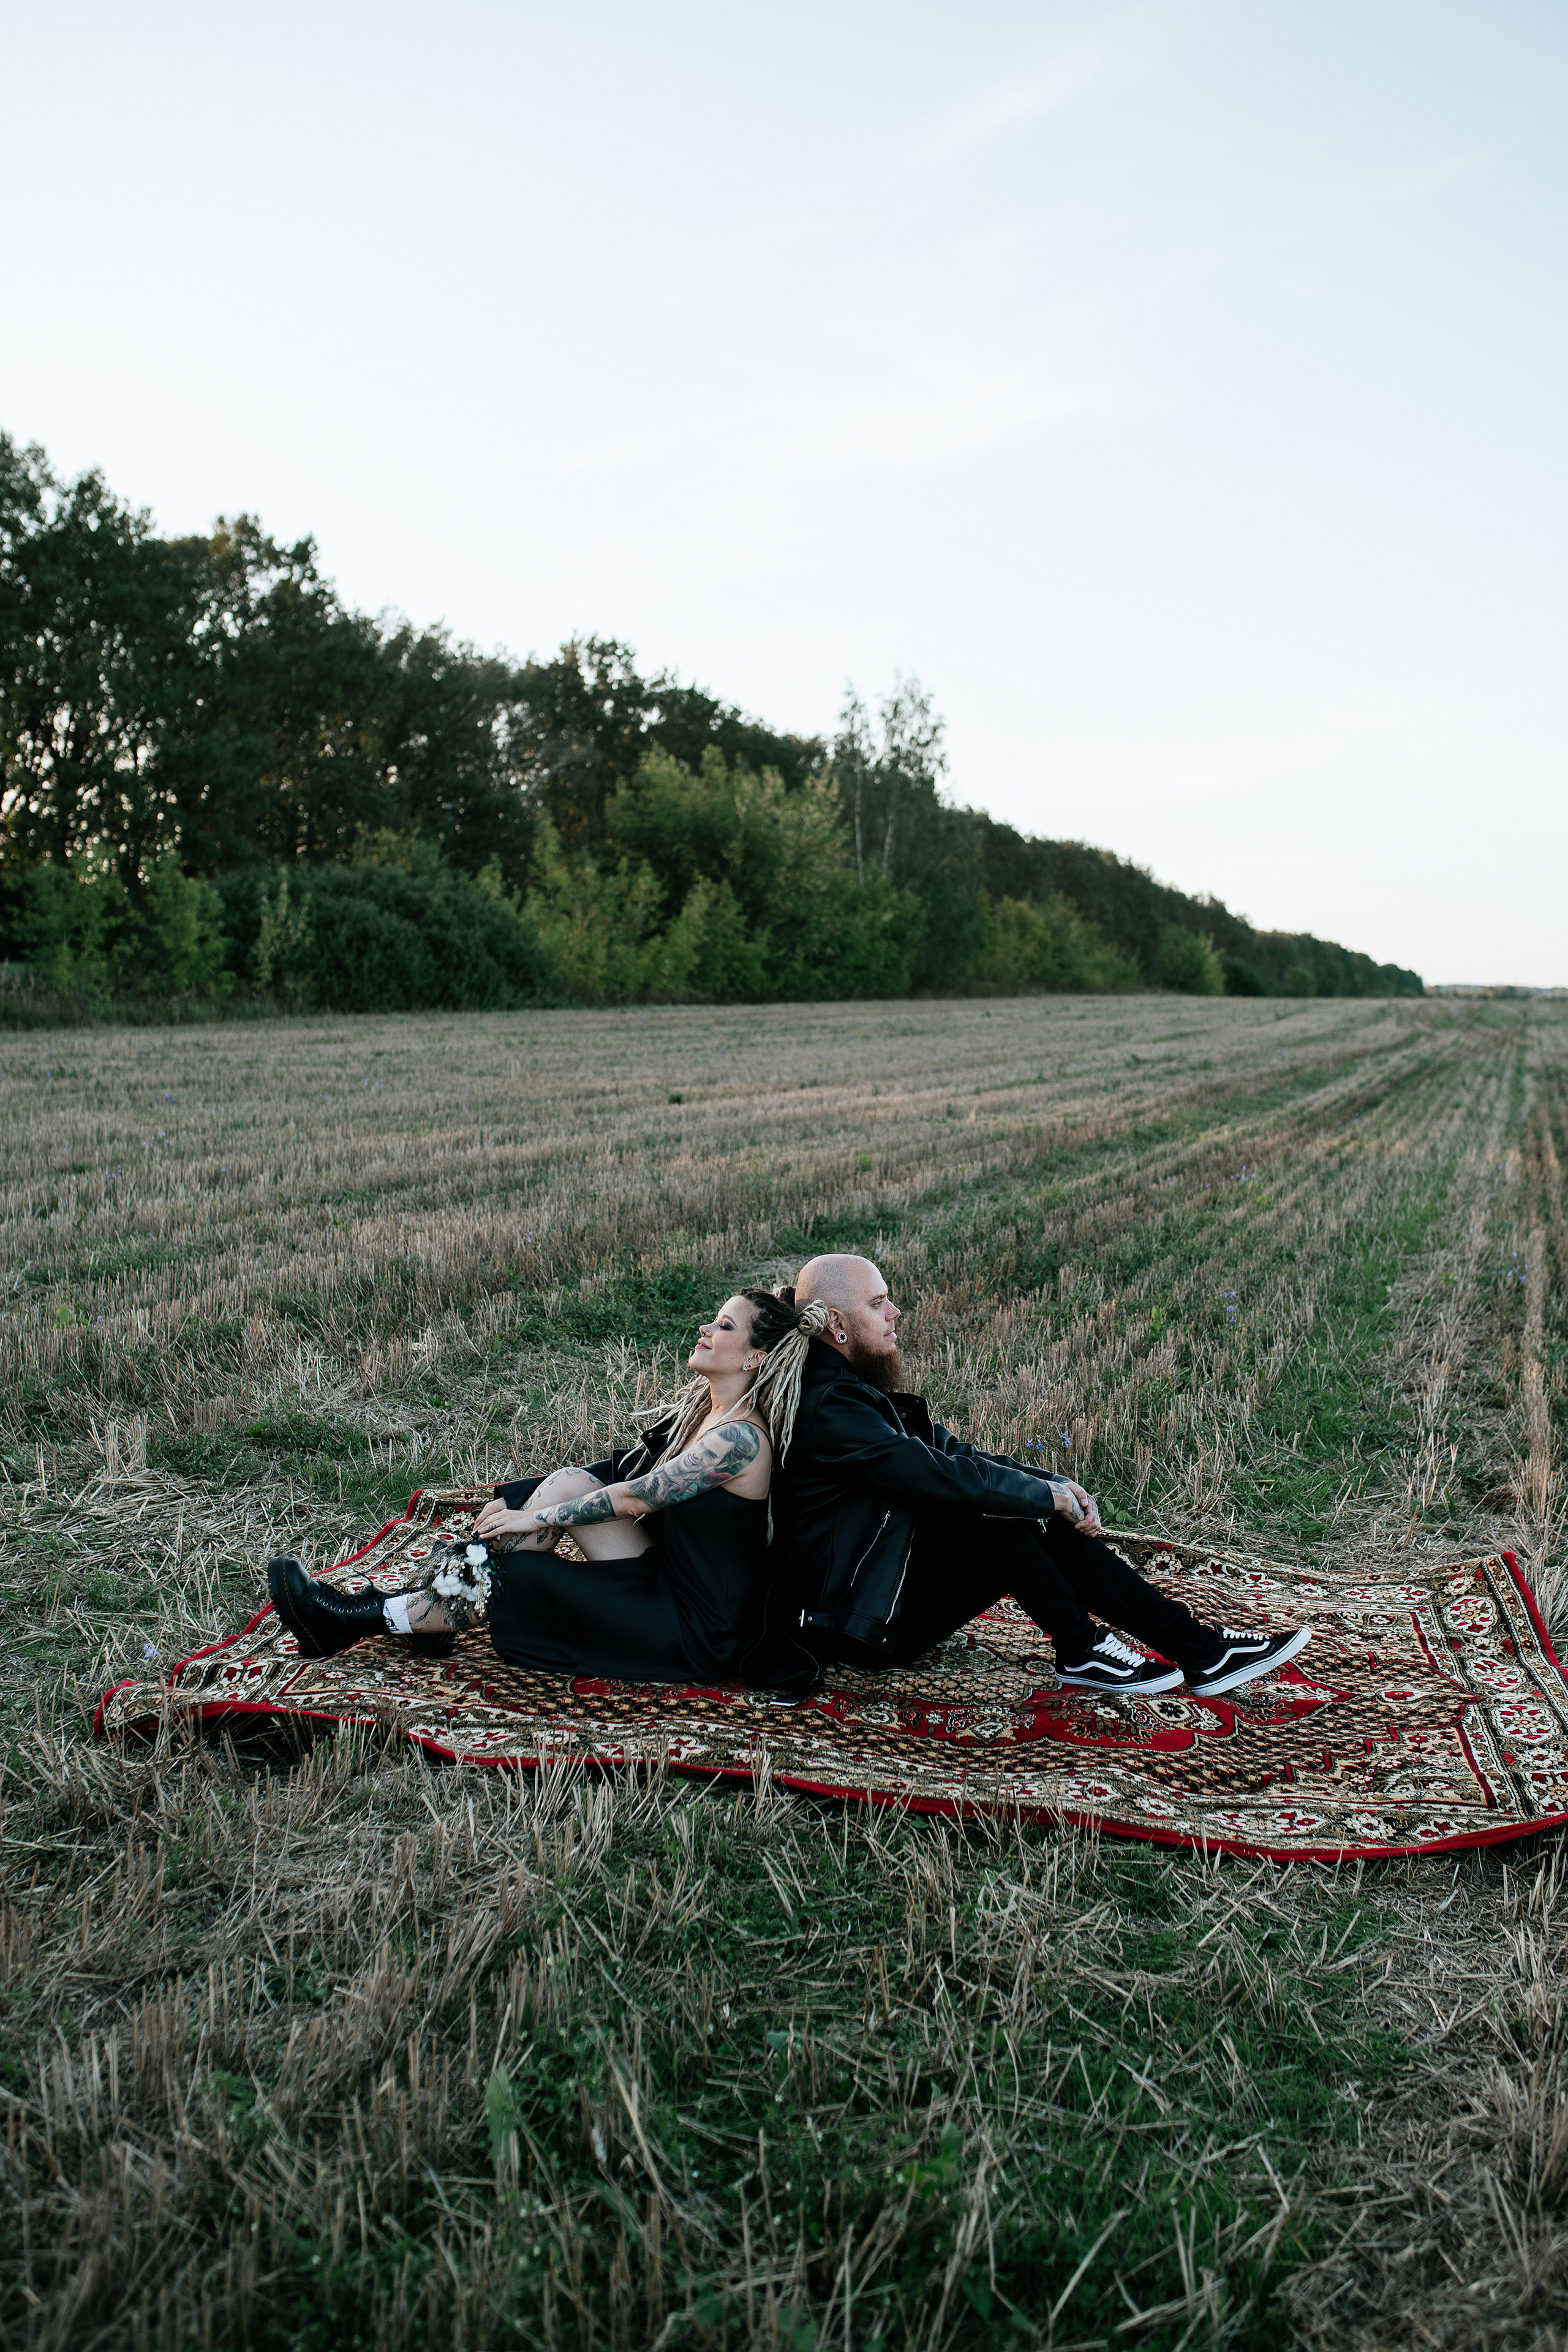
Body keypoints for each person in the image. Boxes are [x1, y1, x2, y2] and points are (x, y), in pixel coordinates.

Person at [755, 1253, 1311, 1698]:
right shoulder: (831, 1407)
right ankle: (1107, 1647)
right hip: (853, 1623)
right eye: (879, 1304)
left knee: (1008, 1500)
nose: (896, 1312)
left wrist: (1054, 1486)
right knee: (983, 1506)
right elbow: (940, 1476)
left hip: (878, 1586)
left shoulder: (849, 1389)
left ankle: (1188, 1650)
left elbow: (953, 1451)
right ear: (837, 1325)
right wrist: (1042, 1498)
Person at [265, 1289, 821, 1686]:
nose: (706, 1328)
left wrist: (534, 1519)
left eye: (725, 1325)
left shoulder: (742, 1441)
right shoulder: (707, 1411)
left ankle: (363, 1618)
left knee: (521, 1574)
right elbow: (616, 1474)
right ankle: (429, 1611)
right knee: (567, 1484)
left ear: (756, 1357)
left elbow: (636, 1497)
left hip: (699, 1627)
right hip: (670, 1578)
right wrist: (523, 1495)